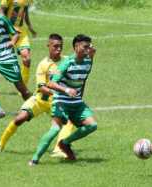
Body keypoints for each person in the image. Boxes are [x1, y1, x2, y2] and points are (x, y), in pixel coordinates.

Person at [0, 33, 74, 155]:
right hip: (40, 100)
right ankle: (0, 145)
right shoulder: (43, 64)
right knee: (19, 119)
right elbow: (42, 88)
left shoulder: (67, 61)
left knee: (68, 122)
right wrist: (62, 91)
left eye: (60, 46)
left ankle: (59, 149)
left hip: (57, 103)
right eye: (55, 46)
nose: (58, 49)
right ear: (48, 45)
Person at [29, 34, 97, 166]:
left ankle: (65, 143)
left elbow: (84, 77)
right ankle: (34, 159)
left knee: (92, 125)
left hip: (76, 102)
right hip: (61, 101)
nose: (88, 49)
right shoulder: (66, 63)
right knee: (55, 130)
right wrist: (67, 90)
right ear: (76, 47)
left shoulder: (88, 60)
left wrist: (92, 55)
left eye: (90, 47)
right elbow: (51, 84)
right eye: (85, 47)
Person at [0, 0, 37, 86]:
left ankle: (23, 86)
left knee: (27, 59)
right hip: (8, 30)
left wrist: (31, 29)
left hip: (21, 31)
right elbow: (1, 12)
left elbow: (25, 14)